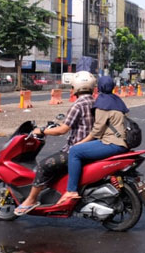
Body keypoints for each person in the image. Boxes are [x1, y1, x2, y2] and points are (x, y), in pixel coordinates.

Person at [14, 71, 96, 215]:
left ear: (76, 88)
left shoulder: (78, 105)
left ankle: (31, 200)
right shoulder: (94, 101)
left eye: (72, 87)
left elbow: (63, 130)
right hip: (91, 146)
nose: (71, 90)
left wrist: (43, 131)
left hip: (75, 149)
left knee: (43, 166)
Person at [57, 76, 129, 205]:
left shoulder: (103, 103)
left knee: (75, 151)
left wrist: (80, 143)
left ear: (98, 88)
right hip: (122, 142)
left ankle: (71, 190)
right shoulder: (117, 100)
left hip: (111, 143)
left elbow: (97, 130)